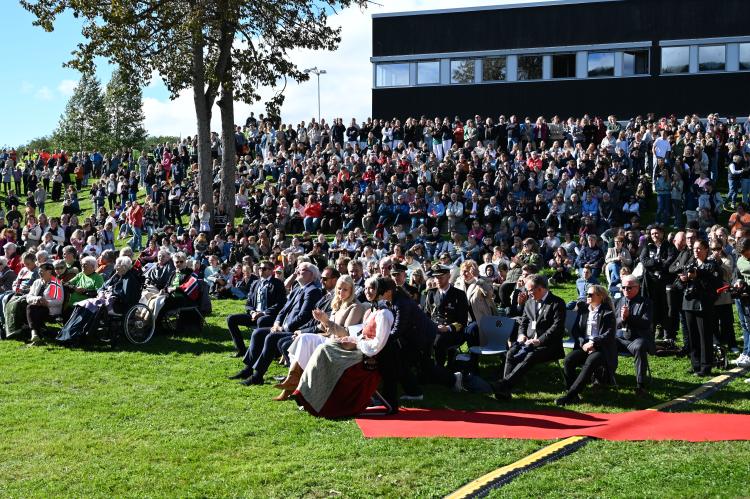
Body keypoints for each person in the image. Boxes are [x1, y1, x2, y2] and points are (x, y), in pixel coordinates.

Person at [294, 277, 395, 418]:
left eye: (372, 288)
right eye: (365, 288)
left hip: (367, 356)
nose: (368, 291)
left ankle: (314, 399)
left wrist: (357, 343)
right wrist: (352, 338)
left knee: (325, 351)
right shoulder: (372, 310)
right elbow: (361, 334)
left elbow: (377, 345)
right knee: (325, 348)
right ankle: (307, 395)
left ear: (380, 291)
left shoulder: (384, 314)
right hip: (361, 349)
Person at [273, 274, 366, 401]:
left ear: (351, 290)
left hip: (340, 344)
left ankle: (293, 382)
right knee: (302, 338)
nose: (341, 292)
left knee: (305, 340)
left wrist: (326, 321)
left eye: (345, 289)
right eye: (339, 288)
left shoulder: (356, 306)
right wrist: (321, 320)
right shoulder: (338, 303)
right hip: (329, 339)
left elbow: (345, 333)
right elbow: (326, 328)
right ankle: (292, 381)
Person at [230, 262, 323, 385]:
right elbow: (283, 309)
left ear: (312, 275)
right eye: (298, 269)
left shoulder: (313, 291)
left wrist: (283, 328)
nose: (298, 272)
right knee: (258, 333)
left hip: (296, 330)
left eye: (302, 270)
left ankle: (257, 376)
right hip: (283, 326)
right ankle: (248, 369)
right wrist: (277, 323)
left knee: (271, 337)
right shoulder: (297, 289)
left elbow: (304, 316)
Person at [492, 274, 565, 400]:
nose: (528, 293)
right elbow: (524, 322)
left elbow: (556, 328)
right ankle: (505, 391)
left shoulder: (557, 303)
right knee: (510, 353)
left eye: (530, 290)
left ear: (540, 289)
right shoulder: (530, 302)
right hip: (527, 342)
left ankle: (503, 385)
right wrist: (521, 335)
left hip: (549, 345)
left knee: (531, 355)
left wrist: (539, 341)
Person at [57, 256, 141, 342]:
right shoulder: (117, 275)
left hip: (118, 304)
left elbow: (126, 296)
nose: (116, 268)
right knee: (83, 305)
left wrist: (110, 292)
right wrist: (101, 292)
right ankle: (67, 332)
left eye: (118, 266)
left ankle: (79, 334)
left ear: (124, 267)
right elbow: (102, 287)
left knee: (90, 305)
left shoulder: (129, 279)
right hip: (105, 301)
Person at [557, 284, 616, 405]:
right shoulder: (583, 309)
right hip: (584, 345)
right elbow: (575, 330)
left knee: (590, 363)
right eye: (587, 294)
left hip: (601, 349)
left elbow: (608, 334)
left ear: (600, 296)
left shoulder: (608, 312)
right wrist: (583, 343)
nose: (587, 296)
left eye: (590, 294)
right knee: (568, 360)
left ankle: (570, 396)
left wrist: (593, 343)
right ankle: (572, 391)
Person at [673, 239, 723, 377]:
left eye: (699, 248)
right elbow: (677, 284)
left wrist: (698, 276)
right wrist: (684, 280)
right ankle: (695, 365)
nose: (696, 251)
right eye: (694, 249)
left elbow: (716, 283)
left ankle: (706, 366)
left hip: (703, 305)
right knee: (692, 335)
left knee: (704, 336)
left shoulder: (711, 265)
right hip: (689, 304)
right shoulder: (690, 264)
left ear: (706, 249)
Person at [226, 261, 286, 357]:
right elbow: (249, 302)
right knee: (231, 319)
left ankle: (257, 352)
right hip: (254, 315)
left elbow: (280, 304)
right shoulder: (255, 283)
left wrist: (263, 313)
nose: (260, 270)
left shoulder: (277, 284)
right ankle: (241, 350)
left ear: (271, 271)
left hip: (269, 316)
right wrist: (252, 312)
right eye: (259, 268)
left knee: (261, 320)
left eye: (263, 268)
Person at [4, 262, 64, 344]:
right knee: (25, 306)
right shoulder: (37, 282)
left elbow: (59, 301)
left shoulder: (55, 284)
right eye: (39, 271)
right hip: (36, 306)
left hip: (50, 309)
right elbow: (29, 296)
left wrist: (46, 302)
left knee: (30, 308)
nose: (39, 272)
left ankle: (33, 332)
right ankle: (32, 332)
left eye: (42, 271)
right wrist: (37, 299)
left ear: (49, 272)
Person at [614, 274, 654, 396]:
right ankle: (601, 378)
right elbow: (613, 322)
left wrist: (629, 317)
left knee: (639, 346)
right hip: (620, 338)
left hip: (637, 338)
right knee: (605, 343)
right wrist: (622, 319)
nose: (626, 290)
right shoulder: (619, 301)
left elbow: (646, 323)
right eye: (624, 287)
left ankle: (640, 385)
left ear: (638, 287)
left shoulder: (646, 303)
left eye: (629, 288)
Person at [424, 264, 469, 368]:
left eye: (441, 277)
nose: (438, 280)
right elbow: (426, 315)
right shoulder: (432, 293)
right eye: (436, 277)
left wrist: (448, 328)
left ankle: (439, 368)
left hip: (453, 331)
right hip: (434, 327)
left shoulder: (459, 295)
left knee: (439, 340)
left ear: (448, 276)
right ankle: (425, 367)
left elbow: (463, 321)